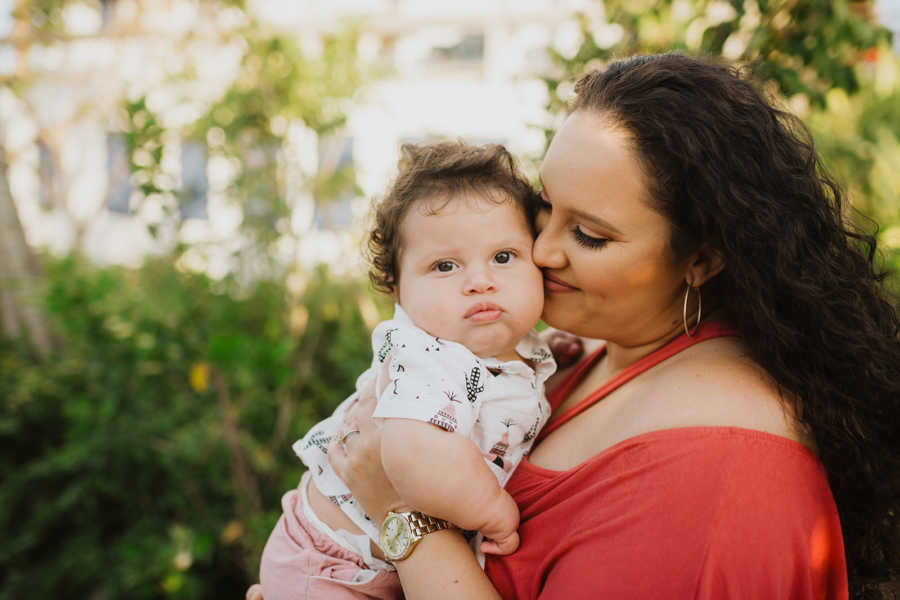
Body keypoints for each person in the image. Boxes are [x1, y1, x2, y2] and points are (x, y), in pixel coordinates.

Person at [308, 53, 900, 599]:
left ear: (701, 259)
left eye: (588, 234)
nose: (539, 250)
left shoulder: (715, 488)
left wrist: (400, 514)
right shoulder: (587, 354)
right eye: (542, 208)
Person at [258, 141, 556, 600]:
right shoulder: (428, 357)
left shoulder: (516, 347)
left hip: (388, 559)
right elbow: (414, 453)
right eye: (445, 265)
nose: (480, 280)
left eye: (503, 256)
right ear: (398, 291)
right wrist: (494, 510)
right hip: (331, 563)